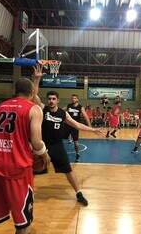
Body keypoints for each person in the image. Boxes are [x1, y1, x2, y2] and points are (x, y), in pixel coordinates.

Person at [0, 77, 49, 234]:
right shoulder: (34, 109)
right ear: (32, 92)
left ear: (15, 91)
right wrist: (44, 154)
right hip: (18, 168)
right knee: (23, 223)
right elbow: (37, 142)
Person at [32, 66, 103, 206]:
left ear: (58, 100)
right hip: (43, 145)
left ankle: (79, 193)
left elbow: (77, 125)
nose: (51, 101)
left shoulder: (63, 114)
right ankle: (28, 193)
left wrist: (92, 129)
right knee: (33, 169)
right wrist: (37, 79)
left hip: (57, 145)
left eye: (54, 99)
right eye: (50, 99)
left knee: (68, 170)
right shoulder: (42, 109)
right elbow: (34, 95)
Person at [64, 94, 91, 162]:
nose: (73, 99)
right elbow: (61, 110)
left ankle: (77, 154)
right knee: (59, 139)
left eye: (75, 98)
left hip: (75, 126)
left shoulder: (80, 107)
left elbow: (85, 116)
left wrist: (90, 126)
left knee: (76, 142)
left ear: (77, 99)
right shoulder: (69, 106)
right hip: (67, 125)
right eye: (72, 98)